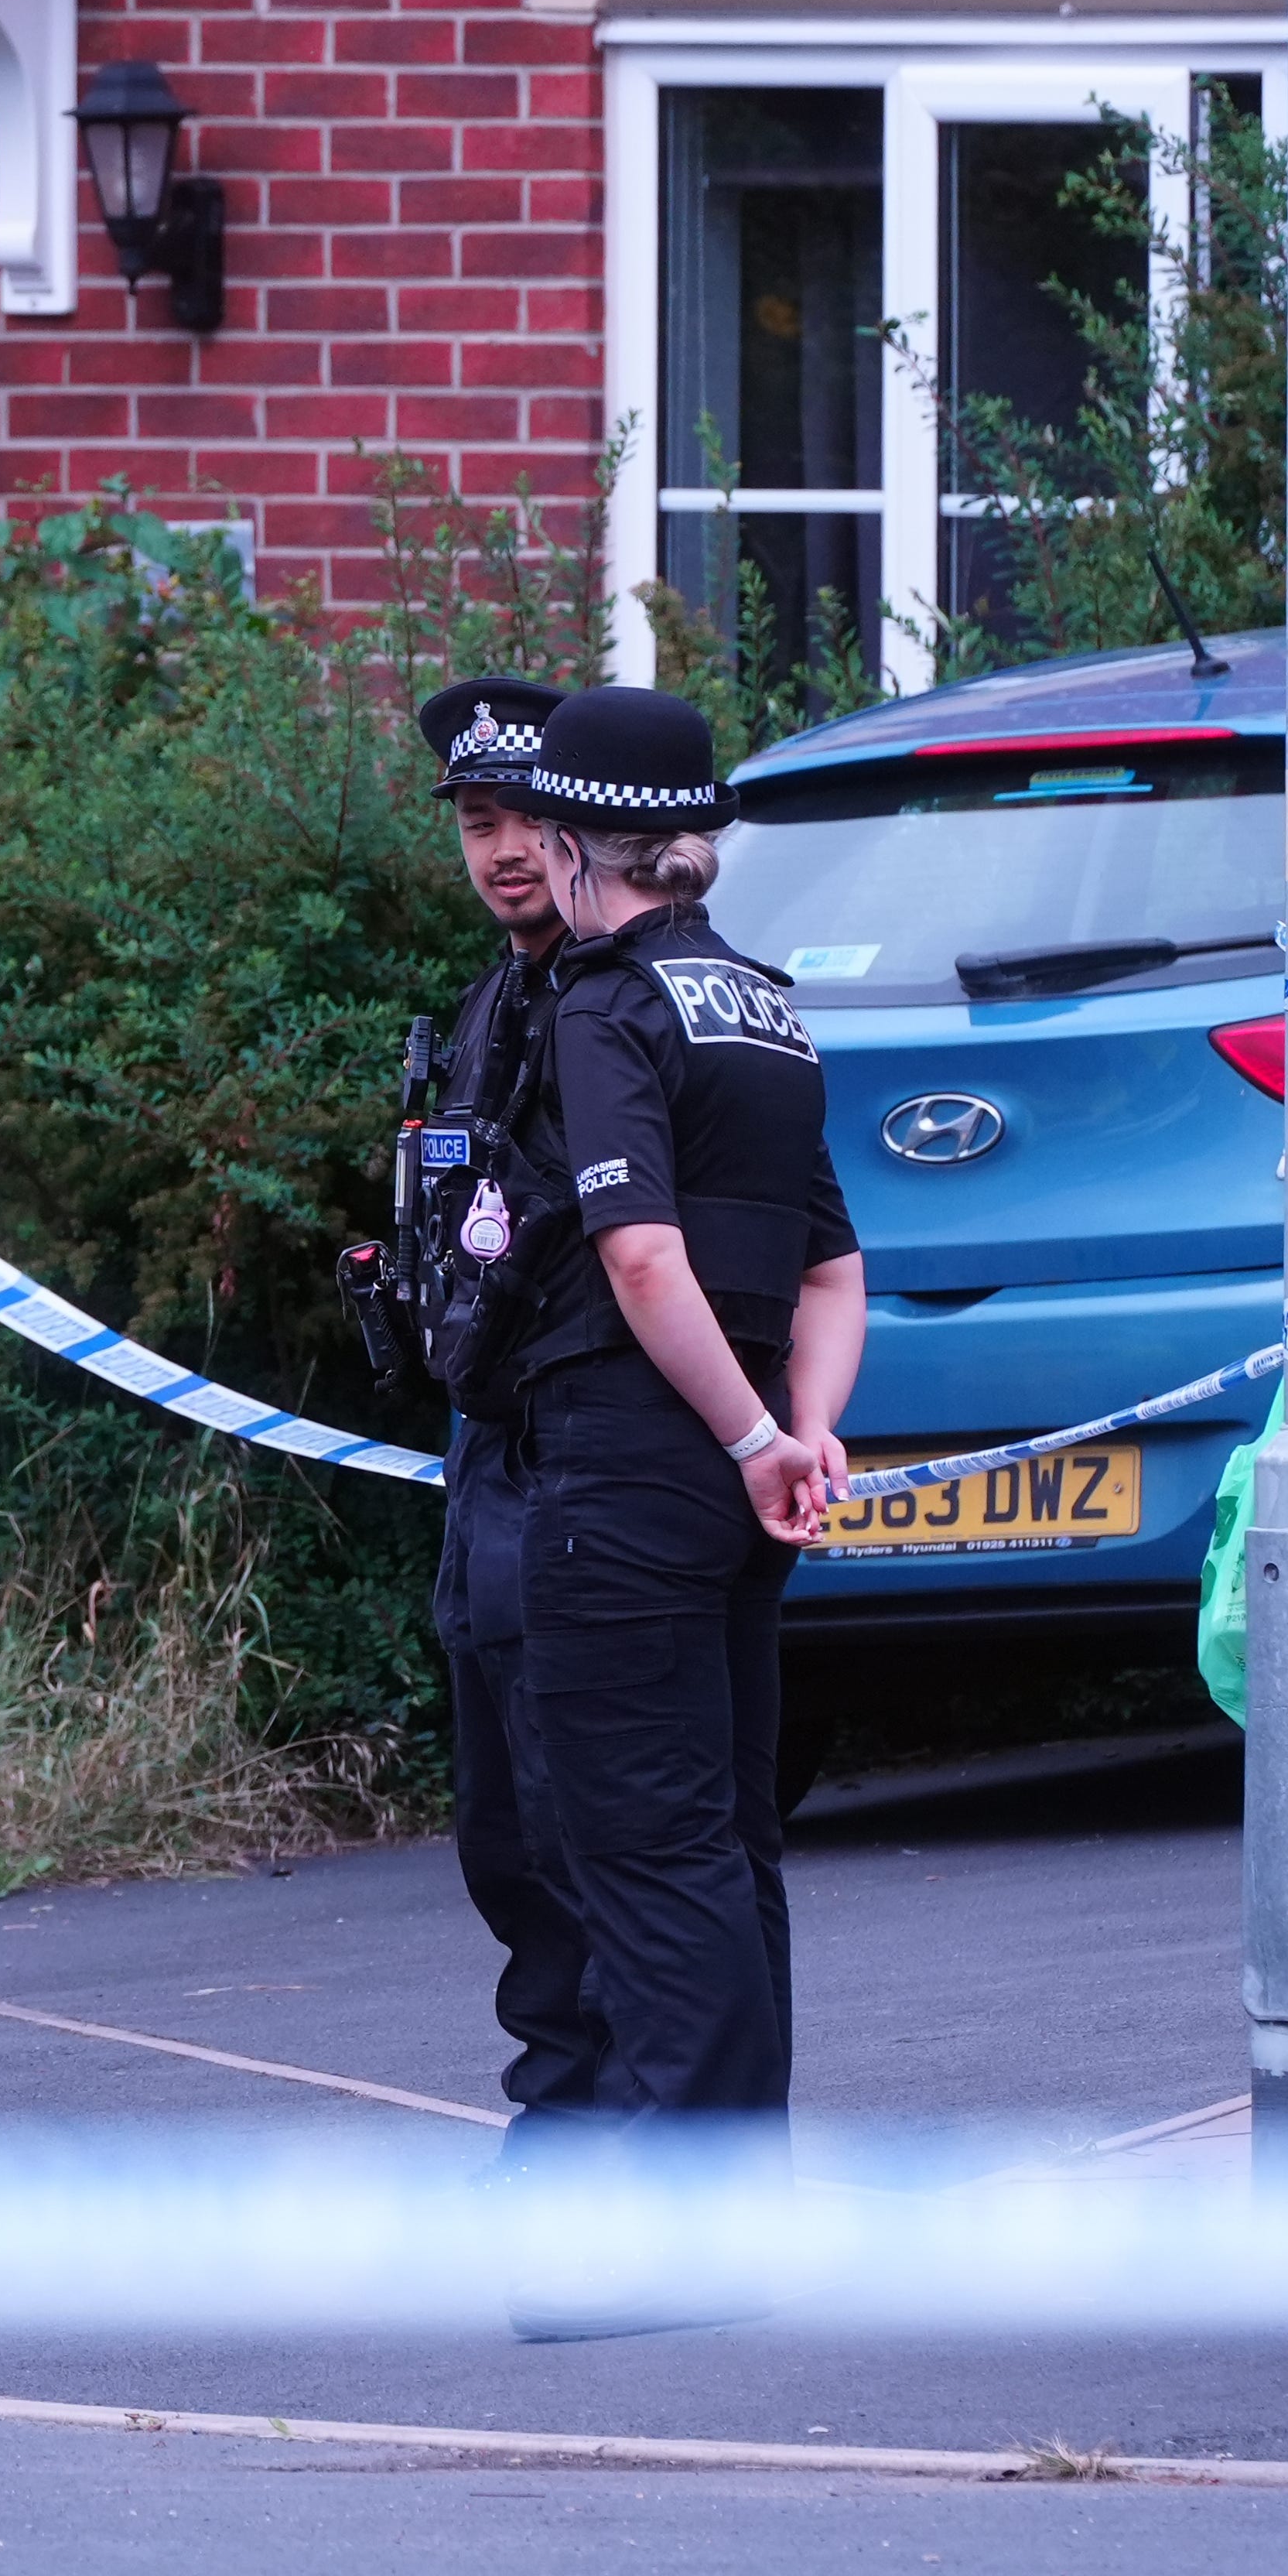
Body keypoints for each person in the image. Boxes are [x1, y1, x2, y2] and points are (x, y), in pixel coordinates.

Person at [487, 686, 865, 2129]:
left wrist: (756, 1436)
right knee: (726, 1841)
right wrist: (800, 1432)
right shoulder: (765, 1005)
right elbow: (833, 1265)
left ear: (583, 847)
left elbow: (638, 1253)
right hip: (733, 1479)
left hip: (633, 1466)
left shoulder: (606, 1002)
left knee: (643, 1848)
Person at [405, 676, 607, 2115]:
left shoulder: (616, 999)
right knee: (502, 1829)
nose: (507, 851)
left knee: (592, 1811)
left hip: (589, 1457)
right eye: (482, 823)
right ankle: (555, 2106)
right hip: (490, 1452)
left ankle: (608, 2123)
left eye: (530, 815)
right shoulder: (490, 1003)